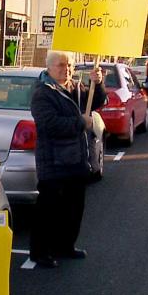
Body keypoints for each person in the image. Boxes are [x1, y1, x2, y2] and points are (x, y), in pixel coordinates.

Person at [28, 51, 106, 268]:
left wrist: (97, 84)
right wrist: (81, 123)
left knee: (73, 209)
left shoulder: (75, 87)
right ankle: (40, 252)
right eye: (61, 65)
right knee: (48, 210)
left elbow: (96, 102)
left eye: (69, 65)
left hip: (76, 160)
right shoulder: (43, 93)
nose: (66, 69)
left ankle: (65, 246)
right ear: (49, 68)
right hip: (53, 161)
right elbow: (49, 124)